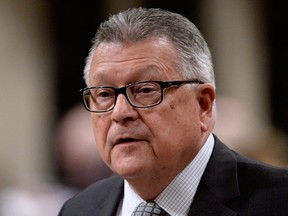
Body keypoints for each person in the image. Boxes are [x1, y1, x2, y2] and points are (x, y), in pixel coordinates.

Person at [58, 7, 288, 216]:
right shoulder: (78, 209)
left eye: (146, 90)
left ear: (203, 105)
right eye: (105, 94)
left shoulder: (278, 201)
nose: (120, 112)